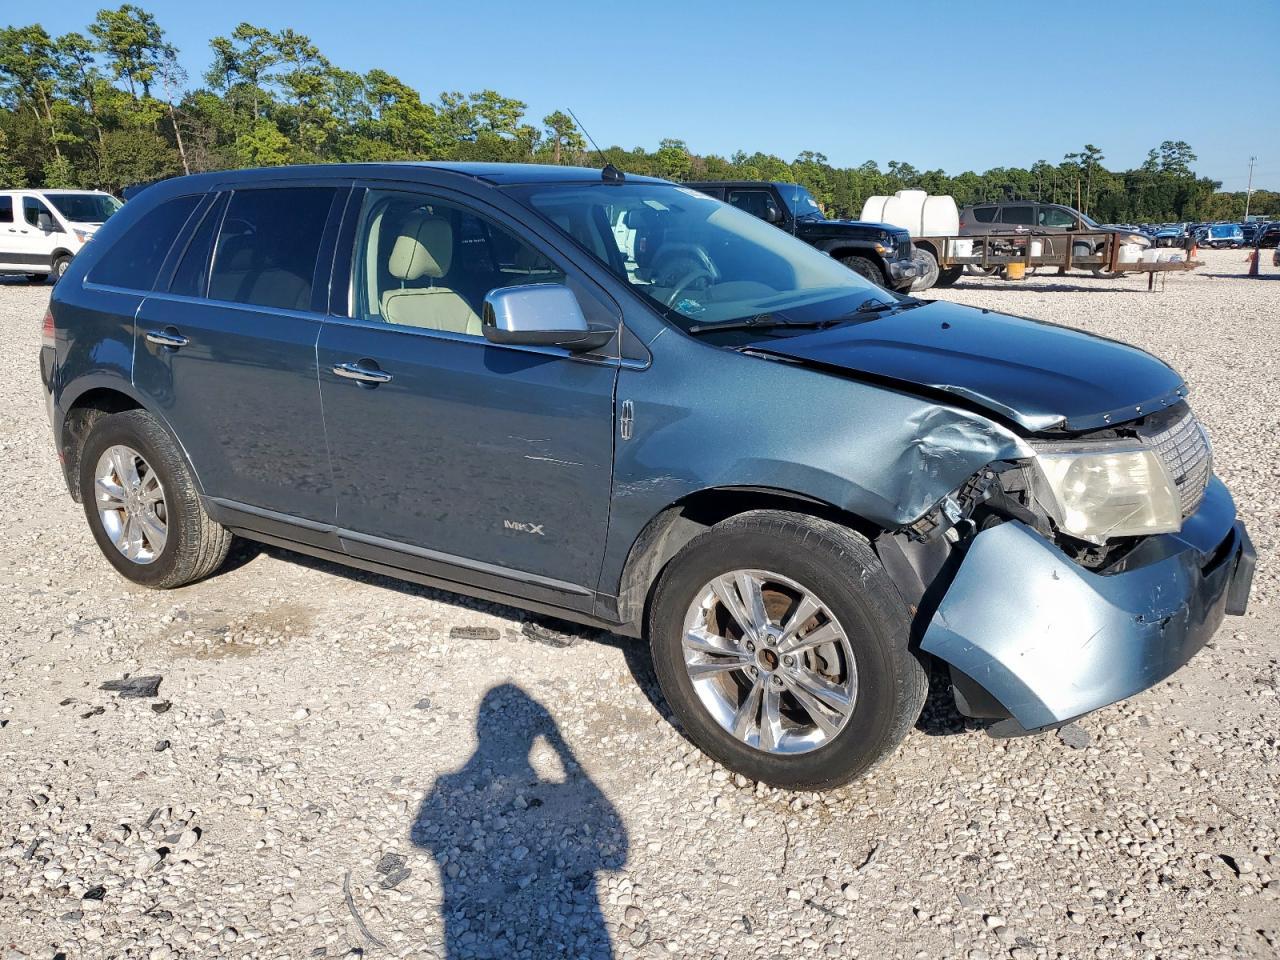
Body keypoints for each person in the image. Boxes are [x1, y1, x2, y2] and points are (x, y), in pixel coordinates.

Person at [413, 683, 627, 959]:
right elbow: (616, 853)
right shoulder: (447, 785)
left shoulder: (446, 785)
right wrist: (564, 754)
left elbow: (419, 836)